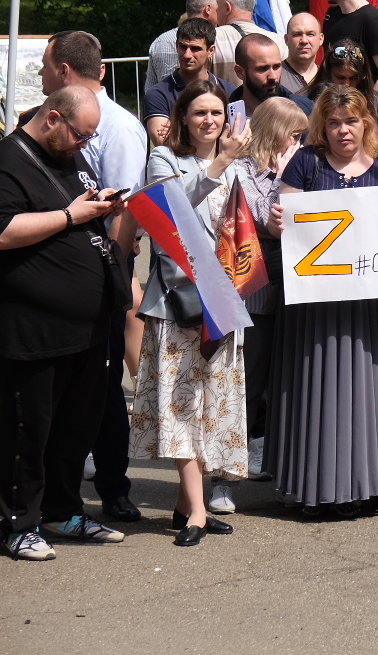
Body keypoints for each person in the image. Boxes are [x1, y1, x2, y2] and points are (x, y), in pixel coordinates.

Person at [0, 86, 126, 560]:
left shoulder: (70, 157)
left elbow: (76, 213)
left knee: (75, 428)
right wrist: (70, 215)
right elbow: (5, 230)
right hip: (32, 330)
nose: (84, 144)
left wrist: (101, 205)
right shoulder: (8, 161)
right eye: (80, 134)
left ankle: (61, 508)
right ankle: (17, 521)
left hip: (86, 328)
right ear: (52, 118)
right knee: (27, 431)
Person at [268, 86, 378, 515]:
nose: (343, 130)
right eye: (333, 122)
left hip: (364, 307)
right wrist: (278, 221)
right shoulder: (306, 162)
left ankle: (362, 487)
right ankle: (312, 489)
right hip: (312, 304)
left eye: (351, 121)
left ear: (367, 123)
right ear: (321, 127)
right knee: (313, 389)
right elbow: (283, 227)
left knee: (362, 394)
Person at [128, 79, 252, 545]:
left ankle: (184, 507)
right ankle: (198, 511)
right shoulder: (164, 159)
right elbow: (173, 212)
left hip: (222, 300)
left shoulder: (238, 164)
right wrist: (223, 162)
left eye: (217, 113)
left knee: (211, 408)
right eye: (199, 112)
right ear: (182, 117)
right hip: (179, 301)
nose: (209, 121)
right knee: (181, 405)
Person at [38, 31, 149, 523]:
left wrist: (115, 277)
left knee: (102, 387)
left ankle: (113, 485)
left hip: (100, 273)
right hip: (58, 275)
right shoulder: (42, 121)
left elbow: (125, 211)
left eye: (44, 65)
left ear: (64, 69)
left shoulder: (120, 129)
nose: (39, 74)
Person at [220, 98, 308, 491]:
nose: (299, 143)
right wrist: (286, 178)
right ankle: (224, 480)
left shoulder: (298, 167)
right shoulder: (241, 171)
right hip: (251, 295)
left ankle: (271, 460)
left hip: (289, 294)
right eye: (294, 134)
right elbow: (268, 221)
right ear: (274, 131)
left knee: (280, 386)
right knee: (248, 385)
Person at [144, 17, 217, 147]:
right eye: (183, 47)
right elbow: (163, 143)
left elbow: (236, 141)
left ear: (211, 51)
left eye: (195, 49)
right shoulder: (158, 94)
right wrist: (212, 132)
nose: (187, 55)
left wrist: (179, 130)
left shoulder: (227, 90)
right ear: (177, 45)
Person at [229, 33, 313, 122]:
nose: (273, 77)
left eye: (277, 67)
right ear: (240, 72)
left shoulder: (306, 111)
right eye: (263, 69)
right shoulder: (221, 116)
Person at [147, 0, 218, 85]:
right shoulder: (219, 37)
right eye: (218, 10)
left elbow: (150, 87)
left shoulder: (161, 41)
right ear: (208, 9)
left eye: (196, 48)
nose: (187, 55)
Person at [211, 0, 272, 87]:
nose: (216, 10)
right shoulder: (278, 42)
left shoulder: (210, 39)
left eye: (218, 5)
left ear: (227, 7)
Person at [305, 39, 378, 114]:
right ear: (328, 73)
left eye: (353, 78)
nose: (346, 84)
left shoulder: (375, 100)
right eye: (340, 77)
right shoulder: (311, 102)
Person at [281, 12, 323, 95]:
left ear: (321, 39)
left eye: (310, 34)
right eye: (297, 34)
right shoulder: (275, 77)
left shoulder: (330, 77)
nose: (304, 40)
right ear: (286, 39)